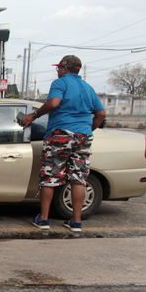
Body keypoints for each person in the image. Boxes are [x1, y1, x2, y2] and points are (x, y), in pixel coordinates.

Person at [21, 55, 107, 233]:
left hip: (60, 134)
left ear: (65, 68)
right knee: (79, 178)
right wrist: (88, 128)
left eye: (58, 68)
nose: (58, 71)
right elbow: (101, 114)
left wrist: (34, 115)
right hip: (82, 136)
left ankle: (44, 219)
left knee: (50, 177)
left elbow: (54, 103)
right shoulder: (88, 88)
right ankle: (76, 222)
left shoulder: (60, 83)